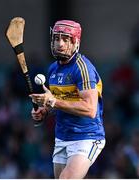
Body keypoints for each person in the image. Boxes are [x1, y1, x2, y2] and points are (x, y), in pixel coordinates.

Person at [29, 20, 106, 179]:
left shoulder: (83, 67)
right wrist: (44, 111)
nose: (60, 44)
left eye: (65, 39)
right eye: (56, 39)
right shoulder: (52, 69)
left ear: (75, 42)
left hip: (87, 136)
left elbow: (90, 109)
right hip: (62, 136)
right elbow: (59, 104)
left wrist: (52, 102)